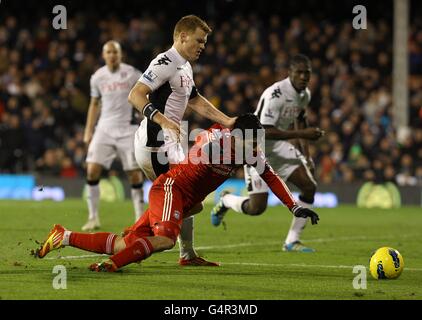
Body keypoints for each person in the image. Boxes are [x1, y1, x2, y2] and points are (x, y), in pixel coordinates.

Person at [35, 114, 319, 272]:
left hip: (181, 199)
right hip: (171, 189)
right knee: (164, 240)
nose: (256, 147)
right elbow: (200, 142)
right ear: (237, 136)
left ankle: (65, 236)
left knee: (126, 244)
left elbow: (271, 177)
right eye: (252, 141)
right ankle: (110, 266)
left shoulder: (250, 151)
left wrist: (294, 207)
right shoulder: (218, 139)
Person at [127, 15, 236, 266]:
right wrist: (163, 121)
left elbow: (196, 99)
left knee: (186, 195)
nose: (202, 46)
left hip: (170, 144)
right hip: (155, 144)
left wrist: (227, 120)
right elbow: (135, 95)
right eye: (199, 40)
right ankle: (134, 236)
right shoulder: (165, 61)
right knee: (187, 198)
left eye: (205, 42)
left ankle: (185, 253)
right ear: (182, 36)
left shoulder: (185, 66)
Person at [210, 54, 324, 252]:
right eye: (300, 72)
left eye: (308, 73)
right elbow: (263, 130)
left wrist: (306, 154)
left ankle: (292, 241)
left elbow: (301, 120)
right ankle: (226, 200)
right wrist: (301, 134)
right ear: (290, 73)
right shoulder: (276, 94)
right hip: (256, 147)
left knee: (309, 186)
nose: (304, 77)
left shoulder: (305, 94)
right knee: (257, 208)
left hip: (280, 147)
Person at [82, 41, 145, 231]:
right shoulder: (97, 77)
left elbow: (145, 94)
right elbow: (94, 104)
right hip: (104, 129)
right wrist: (88, 131)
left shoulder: (133, 74)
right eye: (108, 52)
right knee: (92, 170)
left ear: (120, 54)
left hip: (128, 129)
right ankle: (93, 217)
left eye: (115, 52)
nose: (112, 55)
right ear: (104, 55)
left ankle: (139, 220)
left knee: (134, 175)